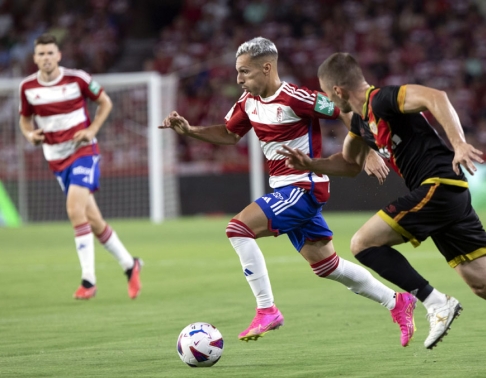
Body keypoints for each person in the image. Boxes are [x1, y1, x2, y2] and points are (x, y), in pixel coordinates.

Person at [277, 52, 486, 374]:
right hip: (446, 197)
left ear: (338, 91)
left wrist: (459, 144)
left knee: (363, 244)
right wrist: (311, 164)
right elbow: (349, 163)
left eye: (328, 94)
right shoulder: (359, 122)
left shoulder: (382, 99)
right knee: (484, 284)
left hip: (439, 184)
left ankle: (435, 301)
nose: (329, 101)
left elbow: (434, 97)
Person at [160, 37, 432, 347]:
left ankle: (267, 309)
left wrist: (367, 149)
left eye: (244, 72)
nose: (239, 79)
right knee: (327, 266)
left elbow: (345, 110)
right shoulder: (248, 102)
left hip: (304, 186)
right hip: (284, 188)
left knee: (237, 229)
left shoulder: (295, 98)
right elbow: (228, 133)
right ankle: (397, 302)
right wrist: (190, 131)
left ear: (267, 67)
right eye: (238, 72)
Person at [19, 33, 142, 300]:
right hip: (55, 157)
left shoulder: (77, 79)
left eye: (50, 53)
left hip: (83, 151)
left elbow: (105, 102)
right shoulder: (28, 87)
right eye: (41, 54)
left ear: (58, 55)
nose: (46, 58)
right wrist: (30, 135)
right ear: (35, 58)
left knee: (75, 210)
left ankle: (88, 281)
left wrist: (92, 129)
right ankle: (130, 265)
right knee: (94, 221)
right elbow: (25, 120)